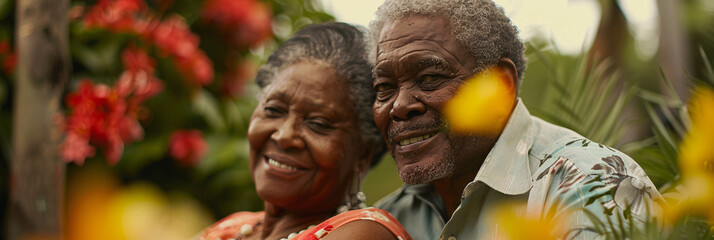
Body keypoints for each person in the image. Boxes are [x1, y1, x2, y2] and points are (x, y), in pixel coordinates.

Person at [368, 0, 662, 239]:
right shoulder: (382, 224)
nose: (400, 106)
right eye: (384, 88)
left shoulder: (594, 187)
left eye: (430, 77)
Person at [200, 22, 411, 240]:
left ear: (363, 154)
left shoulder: (365, 233)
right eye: (273, 110)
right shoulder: (231, 228)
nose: (284, 136)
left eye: (318, 124)